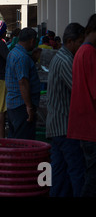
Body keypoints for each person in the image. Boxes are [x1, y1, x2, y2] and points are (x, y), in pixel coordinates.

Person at [46, 23, 86, 197]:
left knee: (59, 174)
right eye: (80, 42)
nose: (82, 47)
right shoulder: (65, 61)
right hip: (64, 127)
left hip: (57, 126)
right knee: (76, 172)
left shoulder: (61, 57)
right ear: (70, 41)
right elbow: (79, 90)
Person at [67, 14, 96, 197]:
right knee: (92, 180)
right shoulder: (89, 53)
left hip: (82, 125)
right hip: (90, 126)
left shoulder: (81, 52)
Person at [5, 27, 41, 140]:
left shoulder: (14, 53)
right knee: (22, 141)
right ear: (32, 41)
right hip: (21, 106)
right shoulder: (22, 57)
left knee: (14, 139)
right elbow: (23, 82)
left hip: (13, 104)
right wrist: (29, 107)